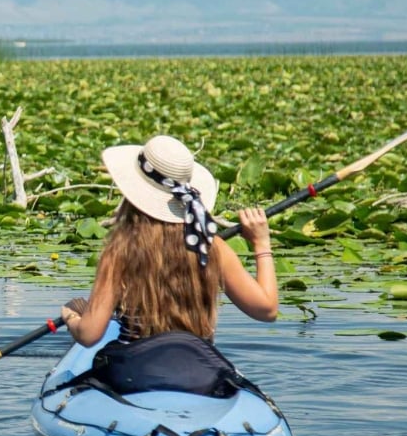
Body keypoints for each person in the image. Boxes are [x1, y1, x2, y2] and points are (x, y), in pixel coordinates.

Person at [61, 135, 277, 348]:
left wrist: (72, 317)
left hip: (138, 363)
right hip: (199, 364)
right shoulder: (211, 246)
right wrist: (261, 244)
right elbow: (267, 310)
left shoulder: (121, 250)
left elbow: (89, 335)